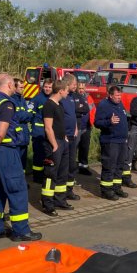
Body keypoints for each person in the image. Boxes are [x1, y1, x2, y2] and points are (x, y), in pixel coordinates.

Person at [0, 74, 42, 242]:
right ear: (8, 85)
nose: (15, 87)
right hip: (5, 150)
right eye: (13, 85)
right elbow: (1, 133)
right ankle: (21, 231)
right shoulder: (7, 104)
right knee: (17, 189)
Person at [40, 79, 75, 216]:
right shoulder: (49, 105)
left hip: (62, 142)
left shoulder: (59, 104)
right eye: (66, 90)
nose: (68, 92)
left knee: (62, 173)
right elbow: (48, 128)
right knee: (50, 175)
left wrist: (64, 137)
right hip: (53, 144)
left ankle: (60, 200)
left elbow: (59, 124)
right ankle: (48, 204)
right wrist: (54, 144)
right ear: (60, 91)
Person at [94, 85, 130, 200]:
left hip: (121, 141)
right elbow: (97, 122)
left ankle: (116, 187)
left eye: (120, 95)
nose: (119, 97)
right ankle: (106, 190)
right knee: (109, 166)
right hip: (110, 141)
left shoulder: (119, 104)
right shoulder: (104, 105)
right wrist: (109, 122)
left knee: (119, 166)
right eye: (117, 95)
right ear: (110, 95)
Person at [57, 74, 81, 201]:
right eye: (74, 84)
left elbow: (72, 115)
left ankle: (69, 190)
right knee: (63, 166)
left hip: (73, 136)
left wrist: (76, 127)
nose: (76, 86)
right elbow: (59, 119)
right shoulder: (61, 98)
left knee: (72, 165)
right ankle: (60, 193)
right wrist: (63, 133)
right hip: (64, 137)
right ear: (67, 84)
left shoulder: (71, 97)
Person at [29, 78, 52, 185]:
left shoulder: (53, 98)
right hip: (38, 132)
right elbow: (29, 113)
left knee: (47, 155)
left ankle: (45, 174)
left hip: (49, 132)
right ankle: (37, 176)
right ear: (43, 87)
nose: (47, 89)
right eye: (46, 87)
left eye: (50, 87)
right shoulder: (36, 99)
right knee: (38, 155)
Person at [11, 77, 33, 172]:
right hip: (16, 137)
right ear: (14, 87)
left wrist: (26, 114)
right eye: (21, 87)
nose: (23, 89)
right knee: (15, 162)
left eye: (23, 87)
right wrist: (27, 114)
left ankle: (22, 178)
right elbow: (17, 117)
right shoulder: (12, 100)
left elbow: (29, 116)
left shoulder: (22, 99)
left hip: (24, 135)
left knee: (23, 161)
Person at [75, 82, 94, 175]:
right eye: (79, 88)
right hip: (76, 127)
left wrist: (92, 123)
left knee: (85, 147)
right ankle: (72, 167)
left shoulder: (89, 98)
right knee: (74, 148)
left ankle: (83, 167)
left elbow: (93, 110)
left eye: (83, 88)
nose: (81, 90)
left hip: (86, 126)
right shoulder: (74, 97)